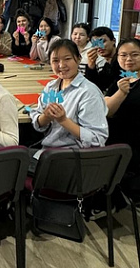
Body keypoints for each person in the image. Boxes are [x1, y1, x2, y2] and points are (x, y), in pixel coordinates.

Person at [29, 39, 108, 172]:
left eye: (67, 59)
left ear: (78, 59)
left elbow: (97, 139)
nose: (61, 65)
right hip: (48, 153)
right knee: (12, 157)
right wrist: (46, 117)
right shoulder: (52, 87)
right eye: (55, 60)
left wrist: (63, 120)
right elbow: (37, 118)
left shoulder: (88, 93)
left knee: (11, 163)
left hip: (72, 160)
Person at [105, 38, 140, 191]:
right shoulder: (122, 79)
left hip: (132, 146)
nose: (128, 59)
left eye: (135, 55)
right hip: (115, 140)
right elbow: (107, 110)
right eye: (123, 55)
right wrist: (121, 93)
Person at [85, 26, 119, 92]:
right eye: (95, 43)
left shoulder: (122, 61)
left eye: (103, 41)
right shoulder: (107, 64)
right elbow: (96, 86)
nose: (99, 46)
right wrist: (91, 66)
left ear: (113, 41)